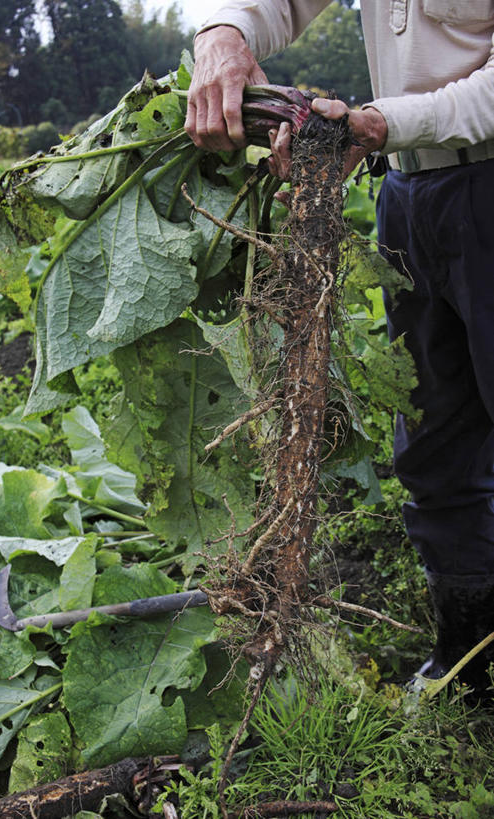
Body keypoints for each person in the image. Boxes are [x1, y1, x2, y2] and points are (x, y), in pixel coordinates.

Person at [185, 1, 494, 693]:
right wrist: (223, 36)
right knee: (433, 439)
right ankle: (468, 659)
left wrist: (385, 122)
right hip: (410, 188)